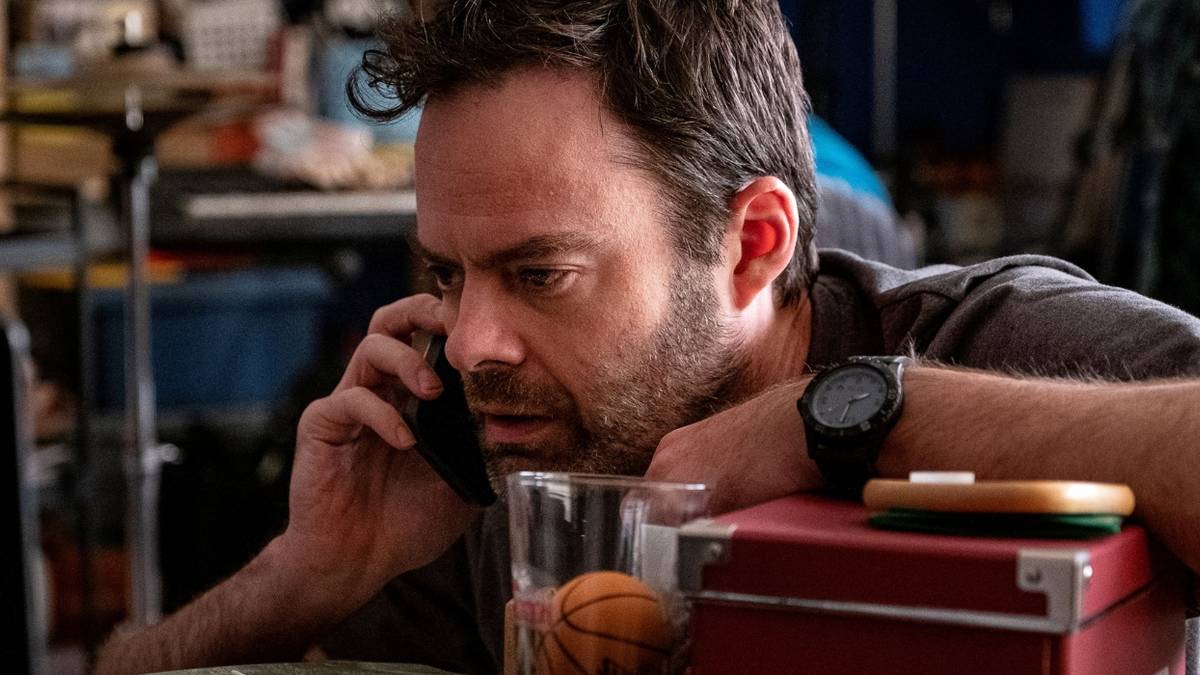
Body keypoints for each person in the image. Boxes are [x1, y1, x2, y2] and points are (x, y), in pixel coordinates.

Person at [95, 1, 1200, 673]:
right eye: (448, 274)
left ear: (753, 244)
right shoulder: (500, 479)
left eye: (540, 274)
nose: (472, 343)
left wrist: (854, 419)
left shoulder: (989, 339)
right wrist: (310, 575)